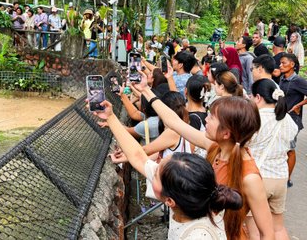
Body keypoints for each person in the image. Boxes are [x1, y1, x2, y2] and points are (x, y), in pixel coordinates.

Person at [126, 74, 274, 239]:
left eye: (212, 117)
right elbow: (174, 121)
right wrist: (146, 90)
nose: (207, 119)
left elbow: (268, 234)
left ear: (226, 133)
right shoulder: (214, 148)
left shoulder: (250, 177)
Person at [92, 100, 243, 239]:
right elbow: (138, 157)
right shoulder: (190, 199)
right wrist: (110, 117)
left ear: (170, 201)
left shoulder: (198, 236)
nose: (153, 169)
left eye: (156, 173)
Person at [247, 79, 298, 239]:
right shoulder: (287, 119)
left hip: (258, 178)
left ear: (258, 97)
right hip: (280, 178)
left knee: (254, 227)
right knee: (277, 227)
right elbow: (291, 143)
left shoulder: (254, 118)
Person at [279, 53, 307, 188]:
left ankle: (287, 179)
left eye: (284, 63)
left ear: (292, 65)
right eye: (280, 63)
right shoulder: (282, 79)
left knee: (290, 149)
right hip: (281, 118)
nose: (280, 65)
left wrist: (299, 105)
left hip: (293, 120)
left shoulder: (298, 81)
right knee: (282, 148)